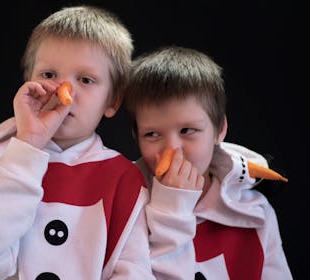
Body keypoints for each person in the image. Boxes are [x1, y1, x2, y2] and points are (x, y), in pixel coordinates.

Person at [0, 5, 155, 279]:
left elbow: (135, 272)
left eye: (85, 79)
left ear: (113, 101)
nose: (63, 90)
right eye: (48, 75)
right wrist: (28, 146)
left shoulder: (125, 179)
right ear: (29, 84)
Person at [124, 46, 293, 279]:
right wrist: (170, 210)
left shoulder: (255, 212)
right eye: (152, 134)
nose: (172, 150)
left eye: (187, 130)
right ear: (136, 136)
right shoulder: (126, 207)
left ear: (219, 129)